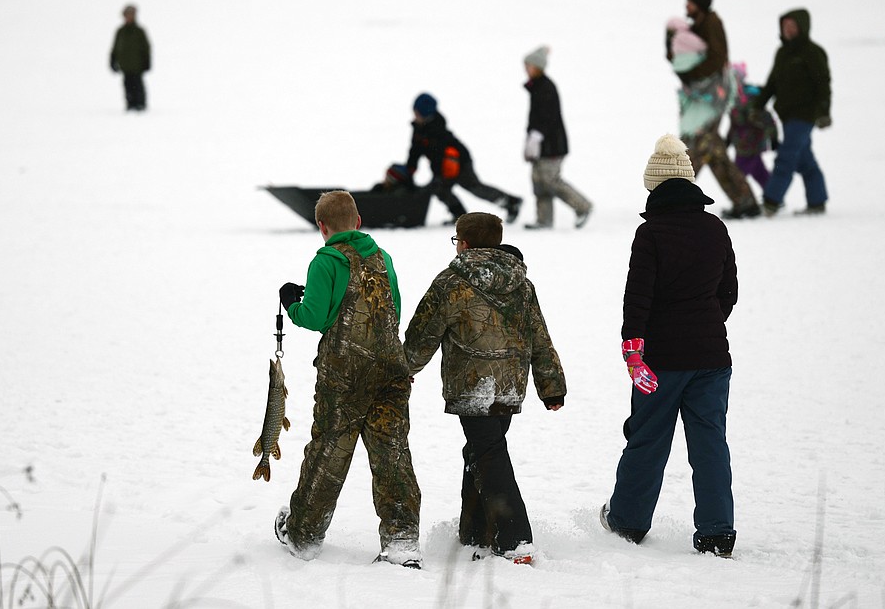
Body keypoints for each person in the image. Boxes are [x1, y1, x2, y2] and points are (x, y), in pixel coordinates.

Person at [601, 134, 737, 558]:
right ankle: (717, 532)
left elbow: (637, 298)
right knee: (710, 442)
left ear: (655, 187)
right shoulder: (716, 228)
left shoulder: (651, 233)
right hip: (712, 359)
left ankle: (627, 521)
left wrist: (633, 349)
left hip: (660, 362)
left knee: (648, 438)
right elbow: (728, 293)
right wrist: (706, 326)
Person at [403, 212, 566, 565]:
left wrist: (402, 369)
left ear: (464, 242)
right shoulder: (522, 283)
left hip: (472, 386)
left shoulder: (451, 282)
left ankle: (514, 539)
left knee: (489, 453)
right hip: (510, 385)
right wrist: (551, 386)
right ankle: (475, 532)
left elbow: (423, 334)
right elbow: (539, 334)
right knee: (480, 450)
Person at [275, 190, 423, 568]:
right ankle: (401, 540)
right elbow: (395, 310)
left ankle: (304, 534)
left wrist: (292, 301)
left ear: (321, 227)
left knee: (329, 451)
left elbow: (315, 317)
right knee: (392, 454)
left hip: (345, 376)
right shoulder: (382, 256)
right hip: (390, 369)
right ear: (358, 222)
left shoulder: (325, 261)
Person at [665, 0, 760, 220]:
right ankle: (744, 201)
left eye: (690, 3)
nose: (686, 7)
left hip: (712, 98)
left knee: (696, 149)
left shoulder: (711, 24)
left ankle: (674, 201)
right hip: (703, 98)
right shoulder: (696, 26)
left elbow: (717, 58)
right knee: (714, 153)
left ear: (699, 5)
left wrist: (692, 75)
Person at [753, 9, 832, 217]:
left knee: (786, 157)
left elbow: (823, 84)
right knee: (804, 160)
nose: (788, 30)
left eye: (792, 26)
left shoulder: (813, 52)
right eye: (785, 26)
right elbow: (772, 83)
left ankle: (771, 202)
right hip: (787, 116)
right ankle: (817, 202)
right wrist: (757, 105)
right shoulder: (782, 53)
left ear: (802, 27)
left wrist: (824, 111)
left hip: (805, 115)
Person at [405, 93, 523, 225]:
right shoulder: (419, 129)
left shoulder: (436, 130)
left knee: (474, 187)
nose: (414, 115)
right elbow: (414, 152)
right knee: (440, 189)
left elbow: (438, 155)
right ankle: (459, 216)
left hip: (461, 163)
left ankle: (511, 202)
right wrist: (409, 170)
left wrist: (438, 176)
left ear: (425, 113)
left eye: (417, 112)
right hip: (445, 167)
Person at [521, 46, 593, 230]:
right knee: (538, 181)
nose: (525, 68)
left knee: (550, 180)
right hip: (541, 143)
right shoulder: (537, 87)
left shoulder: (546, 87)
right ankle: (543, 220)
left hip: (552, 144)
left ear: (538, 67)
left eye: (528, 65)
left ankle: (582, 207)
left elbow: (548, 116)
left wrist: (536, 137)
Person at [725, 65, 780, 190]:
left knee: (738, 175)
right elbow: (735, 123)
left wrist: (773, 138)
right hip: (742, 143)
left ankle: (742, 201)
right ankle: (773, 194)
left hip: (751, 143)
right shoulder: (734, 97)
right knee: (758, 171)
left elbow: (767, 119)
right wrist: (728, 139)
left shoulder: (749, 97)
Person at [109, 4, 151, 112]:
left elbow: (146, 48)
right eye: (127, 15)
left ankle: (140, 105)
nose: (129, 17)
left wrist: (147, 62)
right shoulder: (120, 32)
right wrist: (112, 60)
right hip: (125, 66)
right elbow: (115, 48)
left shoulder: (139, 31)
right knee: (127, 86)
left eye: (131, 15)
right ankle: (130, 105)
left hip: (137, 65)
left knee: (138, 85)